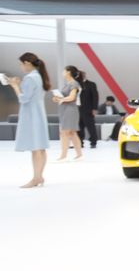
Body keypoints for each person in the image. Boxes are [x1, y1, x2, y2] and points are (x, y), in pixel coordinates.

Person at [5, 53, 50, 187]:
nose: (20, 67)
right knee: (40, 147)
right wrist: (20, 84)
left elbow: (23, 99)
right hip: (38, 113)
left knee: (35, 148)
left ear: (27, 63)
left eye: (21, 64)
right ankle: (39, 177)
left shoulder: (30, 78)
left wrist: (15, 86)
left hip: (31, 115)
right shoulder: (38, 76)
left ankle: (36, 178)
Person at [53, 65, 83, 161]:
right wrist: (57, 98)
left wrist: (61, 99)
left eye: (64, 71)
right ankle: (79, 154)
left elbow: (72, 97)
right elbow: (65, 96)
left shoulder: (74, 83)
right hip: (65, 109)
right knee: (72, 132)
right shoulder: (67, 84)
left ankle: (63, 155)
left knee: (64, 132)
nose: (63, 72)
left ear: (68, 72)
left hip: (70, 110)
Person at [77, 70, 99, 149]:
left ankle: (93, 142)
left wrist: (95, 108)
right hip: (77, 109)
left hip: (88, 109)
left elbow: (95, 97)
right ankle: (79, 142)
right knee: (79, 127)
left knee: (90, 126)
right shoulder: (76, 85)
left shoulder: (91, 84)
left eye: (82, 74)